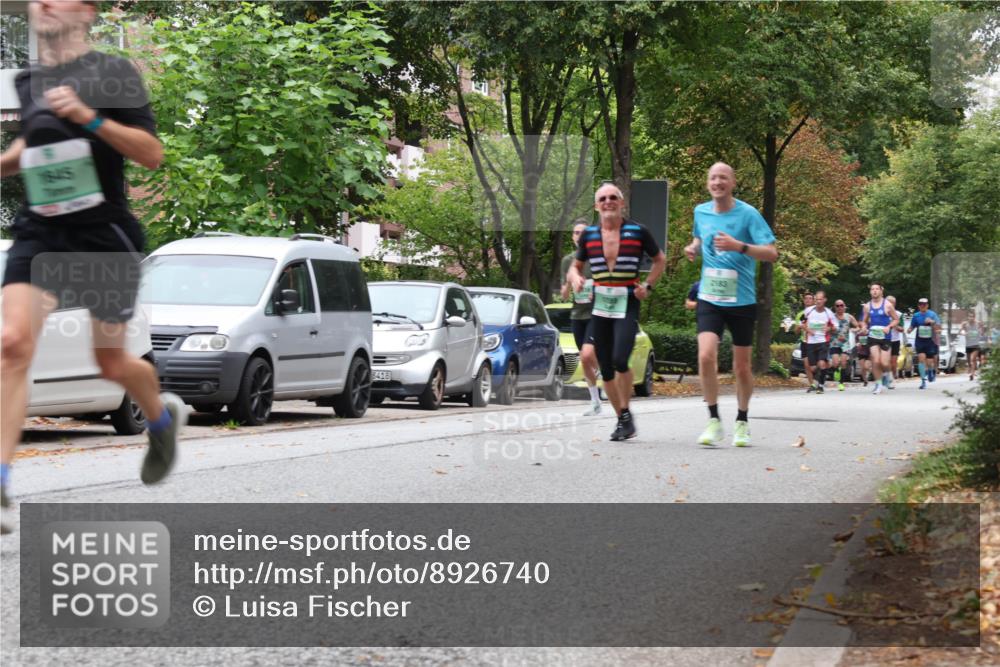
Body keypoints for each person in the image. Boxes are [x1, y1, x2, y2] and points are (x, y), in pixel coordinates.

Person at [0, 0, 184, 534]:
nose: (42, 5)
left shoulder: (113, 72)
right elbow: (30, 146)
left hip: (102, 234)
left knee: (110, 363)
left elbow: (151, 154)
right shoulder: (29, 80)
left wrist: (90, 117)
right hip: (41, 229)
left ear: (87, 11)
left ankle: (161, 417)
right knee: (11, 344)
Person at [684, 163, 777, 447]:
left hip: (742, 299)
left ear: (732, 182)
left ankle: (742, 420)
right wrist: (694, 247)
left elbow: (772, 253)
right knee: (706, 356)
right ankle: (713, 420)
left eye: (723, 177)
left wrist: (740, 247)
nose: (717, 182)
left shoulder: (748, 214)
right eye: (713, 177)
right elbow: (700, 237)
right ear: (707, 183)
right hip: (710, 296)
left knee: (742, 367)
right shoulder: (700, 211)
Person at [568, 183, 666, 441]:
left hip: (627, 299)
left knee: (621, 359)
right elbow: (575, 267)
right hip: (600, 304)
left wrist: (648, 286)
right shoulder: (589, 235)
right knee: (607, 369)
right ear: (596, 206)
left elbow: (660, 260)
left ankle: (625, 414)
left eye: (613, 197)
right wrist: (576, 278)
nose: (608, 201)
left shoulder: (638, 231)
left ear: (622, 203)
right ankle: (623, 417)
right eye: (603, 198)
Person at [560, 221, 602, 416]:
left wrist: (597, 291)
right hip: (578, 314)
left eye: (583, 233)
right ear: (572, 237)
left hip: (596, 312)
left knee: (587, 354)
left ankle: (606, 373)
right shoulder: (568, 260)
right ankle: (595, 401)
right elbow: (564, 296)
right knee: (584, 360)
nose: (579, 236)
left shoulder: (597, 258)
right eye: (576, 233)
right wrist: (569, 283)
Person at [860, 283, 899, 395]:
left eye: (877, 289)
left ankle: (888, 373)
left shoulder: (887, 305)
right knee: (876, 361)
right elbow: (864, 321)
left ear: (881, 291)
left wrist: (889, 327)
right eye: (872, 289)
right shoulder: (867, 306)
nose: (875, 291)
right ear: (870, 292)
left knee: (885, 362)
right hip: (873, 336)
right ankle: (878, 384)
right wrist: (864, 327)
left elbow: (895, 319)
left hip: (885, 337)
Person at [796, 290, 836, 393]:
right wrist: (808, 330)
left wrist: (829, 329)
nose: (818, 301)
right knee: (812, 367)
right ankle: (826, 365)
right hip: (809, 342)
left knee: (821, 364)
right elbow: (801, 324)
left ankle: (820, 386)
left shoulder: (828, 313)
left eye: (820, 299)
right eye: (817, 299)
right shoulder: (807, 312)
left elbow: (835, 326)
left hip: (823, 341)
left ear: (824, 300)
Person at [907, 297, 941, 389]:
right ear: (918, 306)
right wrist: (909, 330)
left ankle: (930, 370)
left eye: (924, 304)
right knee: (921, 359)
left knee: (930, 362)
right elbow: (912, 326)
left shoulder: (932, 314)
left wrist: (932, 321)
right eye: (921, 304)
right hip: (920, 341)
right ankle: (923, 381)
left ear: (927, 306)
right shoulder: (916, 316)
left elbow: (939, 326)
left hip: (930, 341)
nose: (923, 306)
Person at [830, 299, 860, 391]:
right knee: (835, 363)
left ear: (844, 306)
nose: (839, 307)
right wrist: (831, 329)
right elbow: (826, 328)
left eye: (841, 305)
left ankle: (841, 384)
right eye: (837, 306)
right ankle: (836, 370)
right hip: (834, 342)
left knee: (843, 362)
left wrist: (853, 330)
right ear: (835, 307)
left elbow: (858, 326)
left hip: (845, 344)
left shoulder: (849, 317)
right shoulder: (831, 317)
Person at [795, 293, 816, 388]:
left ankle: (820, 380)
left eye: (810, 298)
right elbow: (796, 331)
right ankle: (812, 385)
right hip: (805, 342)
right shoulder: (800, 315)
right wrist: (800, 327)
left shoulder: (817, 313)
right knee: (807, 365)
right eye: (806, 298)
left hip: (816, 341)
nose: (808, 300)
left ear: (813, 301)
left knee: (816, 366)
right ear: (804, 301)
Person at [886, 295, 903, 388]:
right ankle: (889, 379)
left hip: (895, 340)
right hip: (885, 339)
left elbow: (902, 329)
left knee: (893, 362)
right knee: (886, 361)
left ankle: (893, 374)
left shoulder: (899, 314)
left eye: (892, 303)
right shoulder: (883, 313)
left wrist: (895, 326)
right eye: (889, 302)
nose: (890, 304)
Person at [959, 316, 983, 381]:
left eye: (972, 317)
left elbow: (981, 332)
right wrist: (964, 333)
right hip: (968, 345)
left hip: (975, 345)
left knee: (973, 359)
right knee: (969, 361)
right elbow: (961, 331)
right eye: (969, 317)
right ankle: (971, 369)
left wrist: (979, 331)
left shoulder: (977, 324)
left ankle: (972, 374)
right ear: (968, 317)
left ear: (974, 317)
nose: (971, 318)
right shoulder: (965, 324)